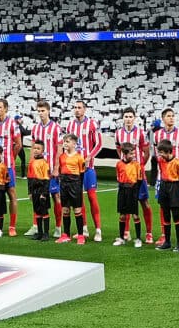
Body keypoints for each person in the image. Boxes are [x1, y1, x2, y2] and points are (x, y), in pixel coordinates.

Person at [110, 107, 152, 248]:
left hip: (138, 173)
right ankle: (125, 233)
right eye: (126, 116)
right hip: (125, 174)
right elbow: (118, 149)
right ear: (123, 118)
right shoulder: (118, 133)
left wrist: (139, 166)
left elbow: (146, 152)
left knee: (143, 203)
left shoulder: (140, 133)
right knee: (125, 204)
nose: (128, 119)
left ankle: (148, 233)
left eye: (130, 116)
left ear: (134, 118)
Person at [68, 102, 105, 242]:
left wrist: (90, 156)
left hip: (88, 167)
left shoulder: (92, 124)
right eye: (75, 108)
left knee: (92, 197)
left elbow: (99, 143)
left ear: (84, 110)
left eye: (79, 108)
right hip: (74, 168)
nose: (77, 110)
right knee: (79, 199)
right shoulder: (70, 125)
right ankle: (84, 228)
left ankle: (98, 230)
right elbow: (68, 144)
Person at [156, 139, 179, 252]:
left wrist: (176, 191)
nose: (160, 155)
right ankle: (167, 242)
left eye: (161, 152)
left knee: (175, 215)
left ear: (168, 151)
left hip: (174, 186)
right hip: (164, 186)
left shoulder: (178, 163)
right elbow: (161, 172)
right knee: (165, 215)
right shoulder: (161, 161)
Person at [113, 144, 148, 248]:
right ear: (125, 154)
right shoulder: (119, 164)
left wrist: (135, 192)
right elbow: (118, 177)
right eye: (131, 153)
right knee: (122, 215)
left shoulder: (136, 165)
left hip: (133, 190)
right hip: (122, 190)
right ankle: (121, 238)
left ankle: (138, 239)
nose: (133, 155)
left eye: (134, 153)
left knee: (135, 215)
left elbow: (140, 179)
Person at [56, 133, 88, 243]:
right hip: (64, 184)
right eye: (64, 141)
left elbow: (82, 174)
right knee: (65, 210)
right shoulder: (62, 157)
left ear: (74, 144)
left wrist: (79, 188)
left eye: (67, 141)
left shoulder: (79, 158)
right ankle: (66, 234)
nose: (65, 143)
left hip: (75, 185)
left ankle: (80, 235)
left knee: (77, 210)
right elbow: (60, 171)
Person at [26, 141, 54, 241]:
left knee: (44, 211)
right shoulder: (31, 162)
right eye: (35, 148)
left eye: (38, 148)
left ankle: (46, 233)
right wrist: (30, 192)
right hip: (34, 191)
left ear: (43, 151)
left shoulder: (44, 163)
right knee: (37, 211)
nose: (36, 150)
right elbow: (29, 178)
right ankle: (40, 232)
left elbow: (47, 179)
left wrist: (44, 193)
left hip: (42, 190)